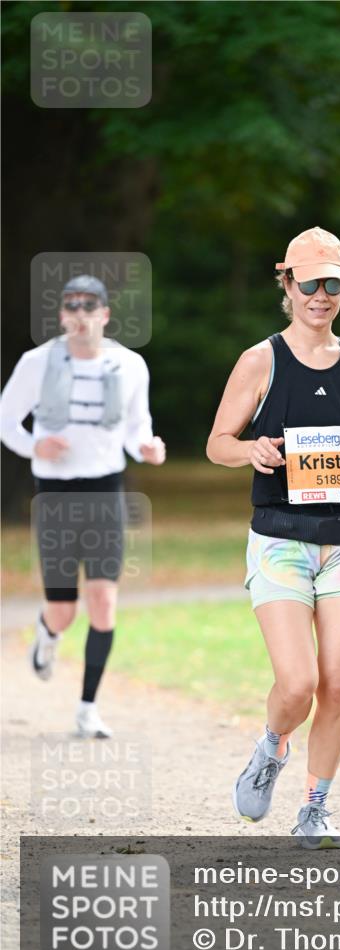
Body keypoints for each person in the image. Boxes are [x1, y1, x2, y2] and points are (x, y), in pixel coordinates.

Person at [206, 226, 340, 848]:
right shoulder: (260, 360)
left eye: (333, 285)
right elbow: (216, 444)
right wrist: (251, 450)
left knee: (338, 685)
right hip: (281, 542)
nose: (321, 296)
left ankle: (315, 807)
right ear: (287, 284)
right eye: (309, 284)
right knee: (298, 684)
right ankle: (273, 746)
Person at [0, 275, 166, 737]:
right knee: (63, 610)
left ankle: (87, 708)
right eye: (71, 306)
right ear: (61, 316)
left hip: (106, 492)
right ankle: (47, 632)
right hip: (55, 496)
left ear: (105, 315)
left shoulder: (130, 365)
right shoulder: (37, 363)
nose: (79, 315)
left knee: (103, 601)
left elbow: (136, 427)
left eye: (88, 306)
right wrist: (34, 445)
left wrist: (148, 447)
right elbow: (5, 419)